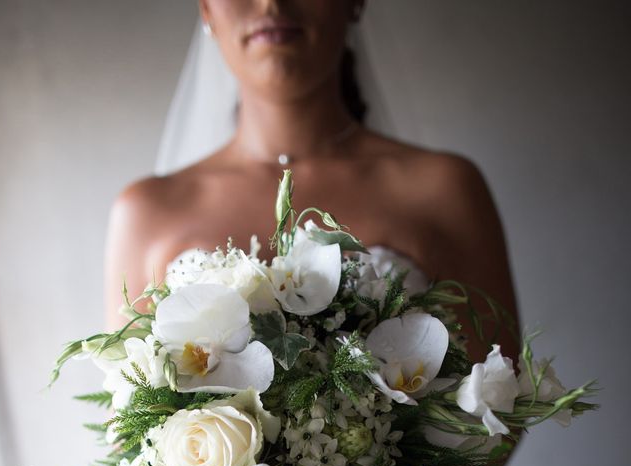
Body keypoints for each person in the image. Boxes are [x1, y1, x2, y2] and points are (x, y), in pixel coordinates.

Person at [104, 0, 520, 364]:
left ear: (355, 2)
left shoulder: (442, 189)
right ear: (207, 8)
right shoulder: (146, 212)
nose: (271, 4)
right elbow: (127, 427)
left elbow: (498, 406)